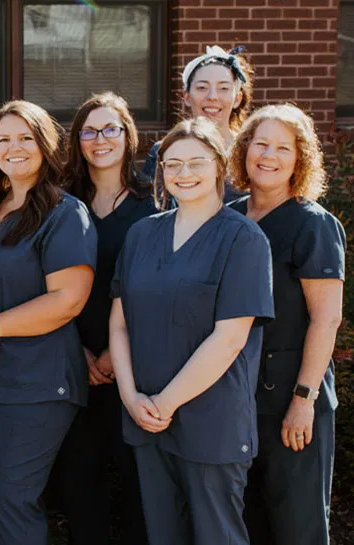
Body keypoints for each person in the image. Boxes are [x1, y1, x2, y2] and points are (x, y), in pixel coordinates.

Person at [110, 117, 274, 545]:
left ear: (220, 166)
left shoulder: (245, 239)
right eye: (172, 163)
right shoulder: (141, 234)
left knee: (217, 536)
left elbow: (229, 339)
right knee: (163, 535)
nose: (184, 173)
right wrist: (131, 397)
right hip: (145, 416)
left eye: (196, 162)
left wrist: (165, 402)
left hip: (211, 421)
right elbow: (119, 321)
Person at [0, 100, 96, 545]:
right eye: (4, 139)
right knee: (2, 497)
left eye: (26, 138)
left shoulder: (64, 212)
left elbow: (68, 300)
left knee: (14, 498)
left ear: (45, 145)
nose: (14, 148)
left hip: (40, 379)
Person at [228, 105, 345, 545]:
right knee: (246, 522)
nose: (269, 156)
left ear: (301, 159)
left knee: (297, 526)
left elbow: (327, 318)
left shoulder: (313, 225)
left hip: (291, 399)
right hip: (236, 396)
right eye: (260, 144)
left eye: (283, 148)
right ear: (244, 150)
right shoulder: (230, 217)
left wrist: (304, 399)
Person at [51, 92, 152, 545]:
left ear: (128, 136)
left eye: (111, 128)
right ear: (78, 141)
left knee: (138, 479)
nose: (100, 139)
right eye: (89, 131)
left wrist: (115, 352)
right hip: (72, 357)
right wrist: (81, 349)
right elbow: (41, 282)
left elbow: (158, 284)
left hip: (139, 360)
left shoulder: (155, 201)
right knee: (79, 475)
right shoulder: (59, 202)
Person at [142, 45, 255, 202]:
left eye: (223, 88)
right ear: (187, 96)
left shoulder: (250, 152)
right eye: (202, 87)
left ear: (237, 98)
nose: (213, 97)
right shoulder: (163, 151)